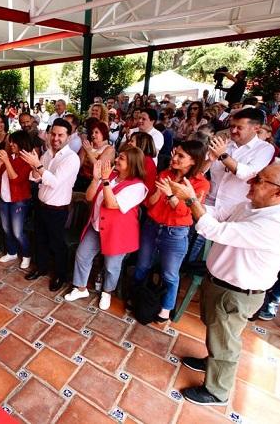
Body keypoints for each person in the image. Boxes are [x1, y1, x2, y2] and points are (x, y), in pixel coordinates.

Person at [168, 162, 280, 406]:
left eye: (259, 180)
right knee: (218, 333)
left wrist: (191, 202)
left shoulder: (277, 225)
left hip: (237, 292)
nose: (250, 182)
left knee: (226, 341)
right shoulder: (252, 205)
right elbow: (218, 213)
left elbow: (216, 231)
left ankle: (217, 391)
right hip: (222, 283)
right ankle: (212, 361)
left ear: (279, 192)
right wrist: (190, 200)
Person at [134, 140, 210, 322]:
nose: (174, 158)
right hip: (152, 226)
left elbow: (185, 212)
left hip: (175, 233)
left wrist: (170, 194)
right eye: (175, 153)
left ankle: (166, 309)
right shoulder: (165, 173)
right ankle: (137, 297)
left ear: (193, 161)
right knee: (142, 265)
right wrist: (160, 192)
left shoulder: (201, 184)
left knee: (170, 274)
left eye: (180, 156)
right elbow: (149, 204)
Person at [64, 148, 148, 310]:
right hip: (96, 226)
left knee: (111, 266)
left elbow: (111, 204)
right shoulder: (111, 176)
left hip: (117, 233)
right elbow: (89, 197)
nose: (116, 160)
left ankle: (107, 291)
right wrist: (96, 180)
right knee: (82, 256)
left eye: (121, 158)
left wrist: (105, 180)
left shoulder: (138, 187)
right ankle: (81, 288)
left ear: (131, 164)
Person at [21, 118, 80, 291]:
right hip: (41, 205)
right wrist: (34, 167)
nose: (55, 138)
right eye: (53, 134)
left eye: (60, 135)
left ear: (68, 137)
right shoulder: (47, 154)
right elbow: (35, 178)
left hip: (57, 209)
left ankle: (60, 276)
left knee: (57, 244)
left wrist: (37, 165)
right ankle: (41, 268)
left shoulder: (72, 158)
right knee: (40, 240)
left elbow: (54, 182)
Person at [205, 108, 275, 209]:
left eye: (239, 128)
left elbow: (248, 174)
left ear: (256, 128)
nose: (233, 130)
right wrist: (208, 160)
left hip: (234, 208)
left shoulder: (265, 148)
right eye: (232, 126)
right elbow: (201, 170)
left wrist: (222, 155)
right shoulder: (223, 143)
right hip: (208, 201)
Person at [0, 130, 33, 269]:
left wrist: (6, 161)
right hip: (4, 199)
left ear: (21, 142)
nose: (11, 144)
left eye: (14, 141)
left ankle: (27, 254)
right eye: (10, 141)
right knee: (6, 228)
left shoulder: (27, 160)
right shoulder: (9, 156)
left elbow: (16, 180)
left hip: (18, 200)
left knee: (17, 231)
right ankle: (12, 252)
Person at [74, 122, 115, 192]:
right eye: (92, 132)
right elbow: (78, 164)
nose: (93, 135)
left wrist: (89, 152)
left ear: (103, 133)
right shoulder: (88, 145)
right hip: (80, 179)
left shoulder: (109, 149)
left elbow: (99, 168)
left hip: (94, 183)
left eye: (96, 132)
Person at [127, 131, 158, 196]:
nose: (129, 143)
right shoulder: (139, 158)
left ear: (141, 144)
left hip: (141, 199)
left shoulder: (146, 161)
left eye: (132, 141)